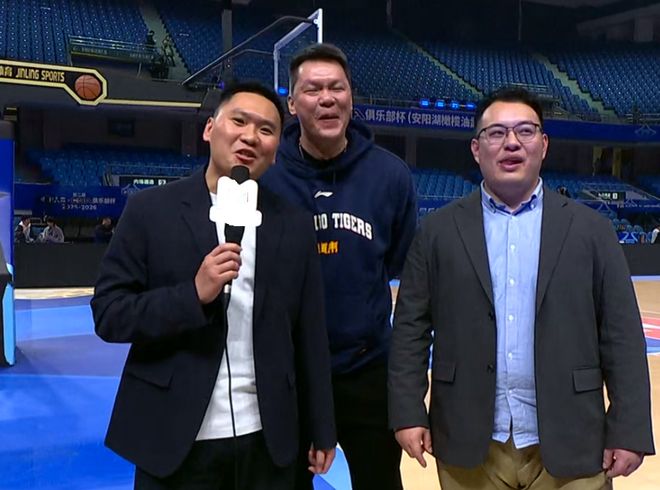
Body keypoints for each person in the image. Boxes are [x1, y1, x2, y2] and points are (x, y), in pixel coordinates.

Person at [389, 87, 654, 490]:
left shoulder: (592, 230)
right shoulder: (437, 231)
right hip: (468, 438)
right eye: (496, 133)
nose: (511, 142)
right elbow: (410, 328)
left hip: (573, 436)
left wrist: (629, 428)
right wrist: (408, 411)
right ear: (476, 149)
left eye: (525, 131)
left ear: (543, 145)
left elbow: (622, 335)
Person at [91, 81, 336, 490]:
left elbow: (310, 333)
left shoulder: (293, 224)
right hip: (175, 440)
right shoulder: (150, 211)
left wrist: (322, 426)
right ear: (209, 129)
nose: (250, 137)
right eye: (239, 121)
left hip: (270, 441)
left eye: (266, 130)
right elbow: (109, 314)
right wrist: (192, 294)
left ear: (276, 151)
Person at [261, 43, 416, 490]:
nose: (327, 98)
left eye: (337, 88)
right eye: (313, 89)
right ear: (292, 103)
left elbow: (402, 266)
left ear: (351, 97)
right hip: (288, 374)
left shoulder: (390, 175)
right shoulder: (267, 177)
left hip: (367, 370)